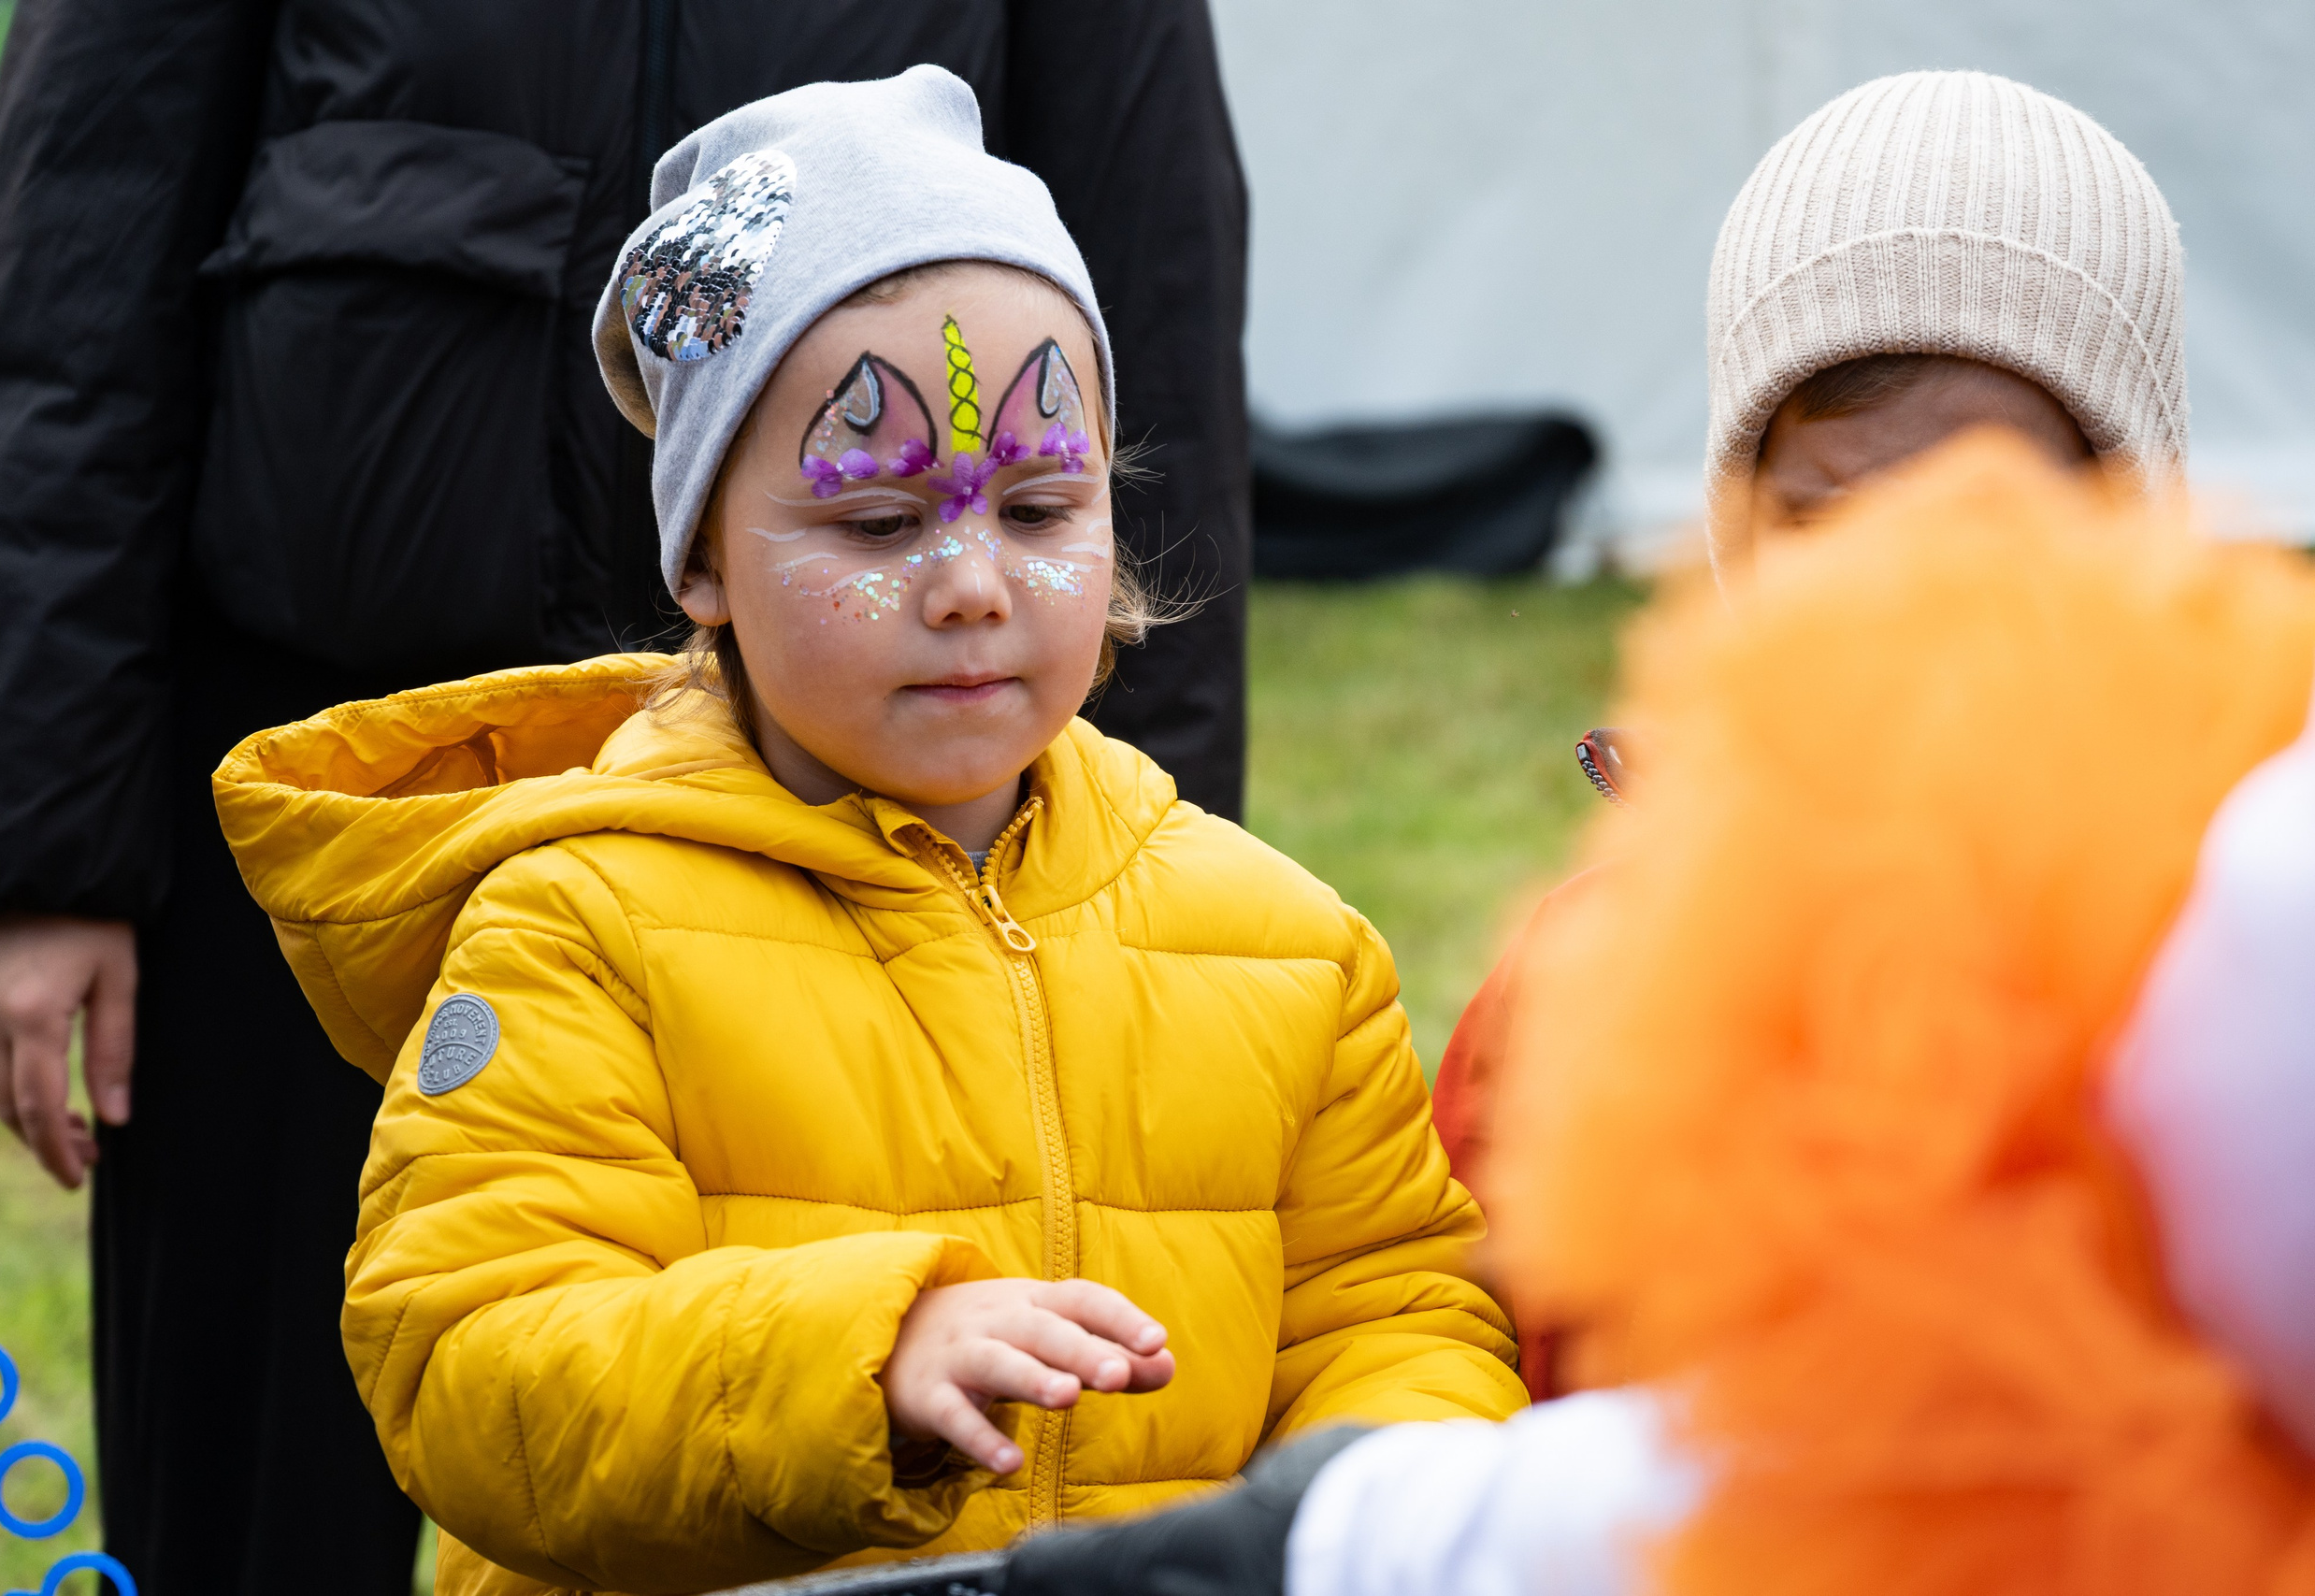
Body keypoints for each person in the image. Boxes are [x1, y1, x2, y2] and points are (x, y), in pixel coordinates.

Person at [0, 4, 1247, 1590]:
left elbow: (1147, 281)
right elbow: (80, 246)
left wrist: (1145, 874)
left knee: (802, 1429)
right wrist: (39, 847)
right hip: (311, 781)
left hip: (845, 781)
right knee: (260, 1478)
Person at [213, 71, 1521, 1596]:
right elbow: (476, 1373)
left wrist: (1360, 1504)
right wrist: (851, 1360)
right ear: (702, 557)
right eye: (879, 526)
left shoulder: (1285, 947)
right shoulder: (580, 931)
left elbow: (1396, 1312)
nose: (970, 584)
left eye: (1039, 508)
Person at [830, 436, 2315, 1596]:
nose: (1915, 577)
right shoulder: (1600, 974)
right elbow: (1511, 1345)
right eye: (1824, 514)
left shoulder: (2231, 910)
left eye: (2002, 501)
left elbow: (1397, 1319)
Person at [1429, 75, 2193, 1346]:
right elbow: (1470, 1357)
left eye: (1975, 522)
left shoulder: (2228, 958)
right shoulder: (1592, 977)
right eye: (1821, 521)